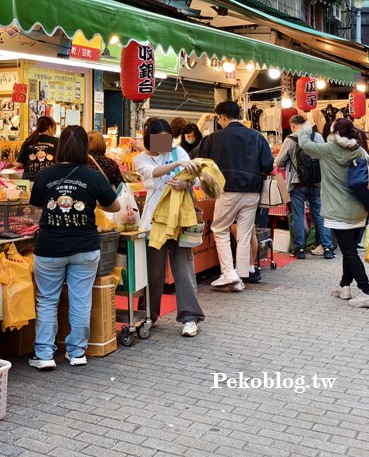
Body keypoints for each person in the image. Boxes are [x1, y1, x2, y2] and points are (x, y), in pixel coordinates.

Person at [29, 126, 120, 369]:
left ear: (60, 148)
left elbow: (37, 205)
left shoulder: (45, 174)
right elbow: (115, 207)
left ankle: (44, 355)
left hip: (49, 248)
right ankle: (77, 352)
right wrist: (94, 206)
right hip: (85, 247)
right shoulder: (93, 176)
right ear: (85, 149)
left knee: (47, 300)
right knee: (81, 300)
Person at [297, 118, 369, 308]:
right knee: (348, 250)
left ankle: (367, 292)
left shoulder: (327, 150)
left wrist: (305, 130)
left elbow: (305, 145)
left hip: (338, 211)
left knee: (349, 253)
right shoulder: (359, 150)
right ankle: (345, 286)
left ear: (334, 132)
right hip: (360, 210)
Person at [133, 118, 204, 337]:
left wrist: (186, 183)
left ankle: (190, 318)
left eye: (167, 139)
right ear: (149, 139)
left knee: (183, 268)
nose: (165, 143)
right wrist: (176, 166)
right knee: (153, 272)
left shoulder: (179, 152)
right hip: (154, 220)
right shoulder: (140, 159)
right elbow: (151, 174)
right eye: (159, 139)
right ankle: (149, 315)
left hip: (179, 219)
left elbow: (197, 178)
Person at [196, 101, 273, 290]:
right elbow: (268, 165)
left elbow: (199, 162)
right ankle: (241, 274)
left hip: (227, 191)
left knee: (220, 230)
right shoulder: (257, 137)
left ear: (222, 117)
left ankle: (229, 274)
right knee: (245, 234)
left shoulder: (212, 138)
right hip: (252, 192)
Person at [276, 115, 334, 260]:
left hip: (297, 184)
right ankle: (327, 247)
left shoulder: (290, 139)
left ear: (292, 126)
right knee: (320, 215)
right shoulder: (318, 137)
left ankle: (300, 249)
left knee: (298, 215)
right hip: (317, 183)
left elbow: (279, 162)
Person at [17, 116, 59, 181]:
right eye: (54, 129)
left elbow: (19, 164)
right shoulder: (57, 142)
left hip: (29, 180)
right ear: (50, 127)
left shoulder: (28, 141)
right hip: (50, 181)